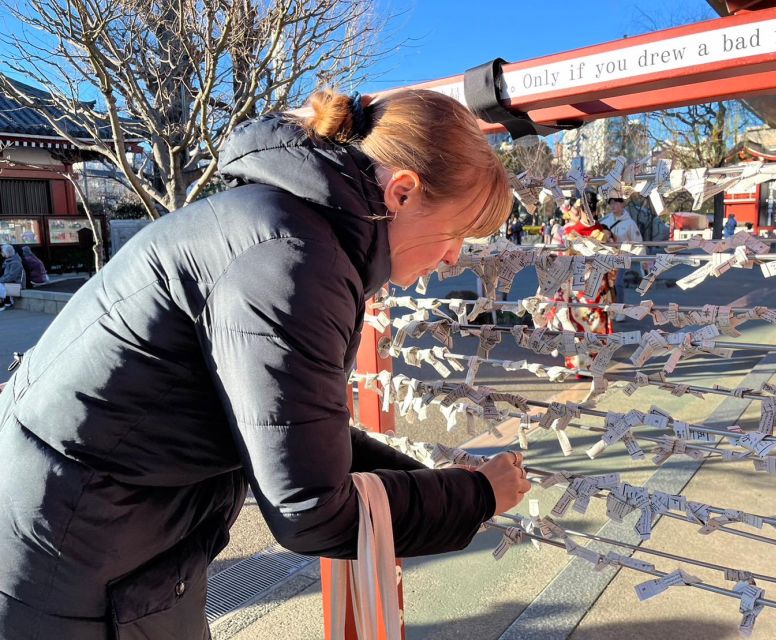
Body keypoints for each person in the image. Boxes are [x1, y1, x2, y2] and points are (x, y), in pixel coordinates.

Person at [0, 88, 532, 639]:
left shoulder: (282, 223)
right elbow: (310, 508)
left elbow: (294, 430)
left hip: (88, 521)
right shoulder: (294, 259)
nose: (452, 258)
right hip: (74, 552)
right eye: (455, 233)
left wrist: (441, 486)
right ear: (401, 192)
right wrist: (477, 497)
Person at [550, 204, 614, 369]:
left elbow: (614, 260)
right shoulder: (570, 233)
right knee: (577, 325)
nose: (585, 214)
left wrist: (610, 281)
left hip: (598, 287)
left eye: (588, 210)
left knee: (596, 326)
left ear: (594, 211)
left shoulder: (604, 232)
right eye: (583, 210)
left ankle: (596, 364)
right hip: (577, 288)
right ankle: (580, 365)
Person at [599, 189, 643, 308]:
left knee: (618, 284)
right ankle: (609, 308)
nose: (613, 205)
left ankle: (620, 308)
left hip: (622, 258)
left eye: (616, 202)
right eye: (611, 203)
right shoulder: (605, 221)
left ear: (622, 204)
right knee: (607, 285)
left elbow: (638, 243)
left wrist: (644, 261)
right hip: (607, 258)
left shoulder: (630, 223)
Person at [0, 244, 24, 309]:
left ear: (6, 252)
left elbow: (11, 276)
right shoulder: (9, 260)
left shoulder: (15, 262)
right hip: (11, 282)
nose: (1, 253)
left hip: (16, 283)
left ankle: (6, 303)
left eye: (2, 252)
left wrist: (1, 280)